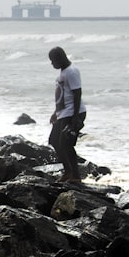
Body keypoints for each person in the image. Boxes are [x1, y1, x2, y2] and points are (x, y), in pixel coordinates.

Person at [48, 46, 86, 182]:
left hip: (72, 113)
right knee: (54, 140)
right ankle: (68, 172)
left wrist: (75, 118)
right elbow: (64, 96)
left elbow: (77, 93)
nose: (52, 64)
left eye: (53, 61)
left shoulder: (71, 72)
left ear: (60, 58)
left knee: (66, 143)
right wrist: (55, 113)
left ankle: (75, 176)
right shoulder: (63, 73)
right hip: (63, 113)